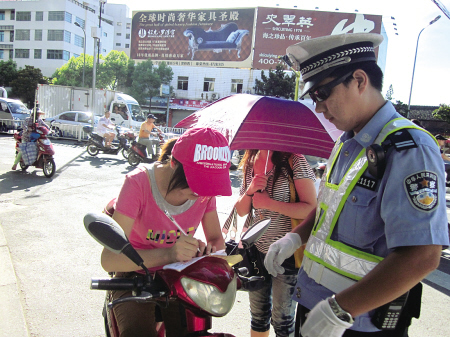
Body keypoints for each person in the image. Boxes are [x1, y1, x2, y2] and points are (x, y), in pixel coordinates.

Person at [264, 33, 449, 337]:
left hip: (358, 322)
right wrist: (294, 239)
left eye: (323, 93)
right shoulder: (347, 142)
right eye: (314, 98)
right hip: (316, 307)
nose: (319, 108)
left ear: (360, 80)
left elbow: (423, 256)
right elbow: (328, 210)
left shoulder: (409, 149)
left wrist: (339, 311)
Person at [100, 127, 232, 337]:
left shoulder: (205, 193)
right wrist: (169, 254)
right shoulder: (138, 183)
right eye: (197, 182)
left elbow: (216, 239)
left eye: (209, 183)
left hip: (180, 276)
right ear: (173, 163)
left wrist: (209, 253)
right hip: (134, 276)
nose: (202, 194)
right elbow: (109, 260)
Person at [234, 149, 317, 337]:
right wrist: (250, 191)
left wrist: (268, 203)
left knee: (282, 320)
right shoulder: (250, 159)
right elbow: (240, 211)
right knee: (258, 315)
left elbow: (311, 209)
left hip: (287, 253)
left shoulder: (295, 160)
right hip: (256, 250)